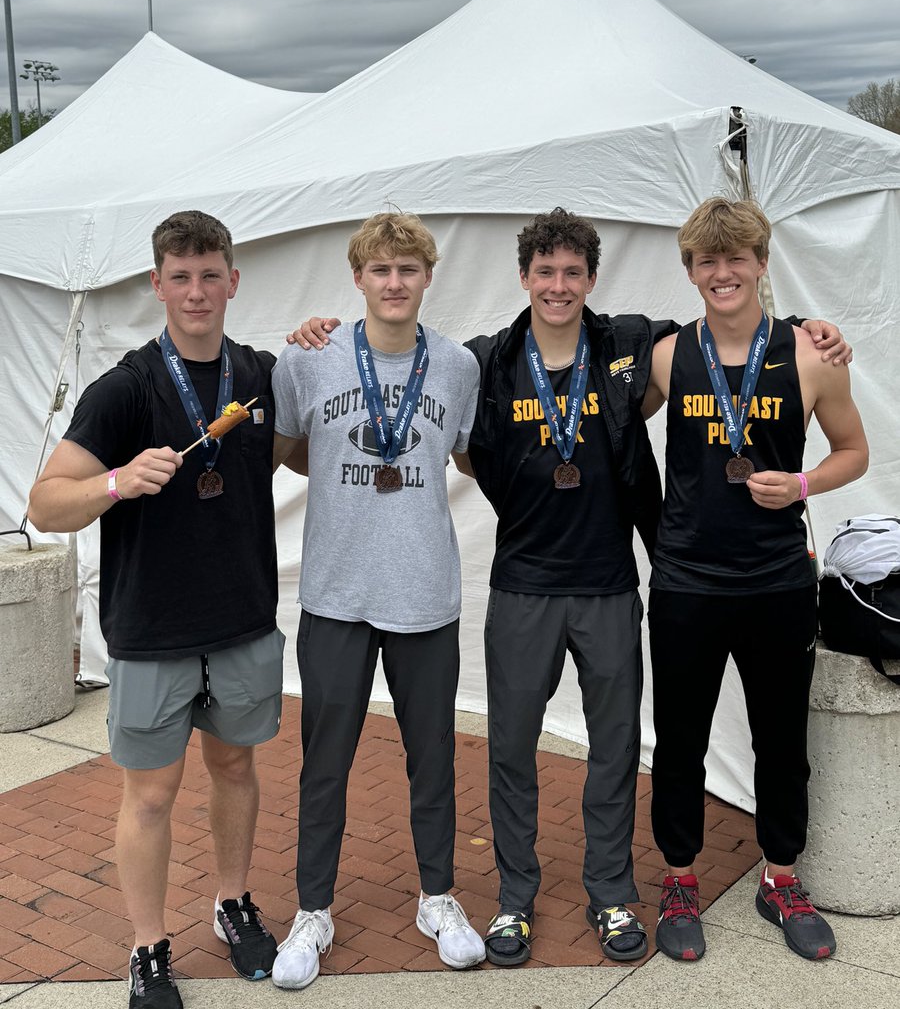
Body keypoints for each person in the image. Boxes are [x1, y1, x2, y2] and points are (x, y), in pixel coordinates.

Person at [290, 206, 849, 967]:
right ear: (523, 278)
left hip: (611, 585)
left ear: (592, 279)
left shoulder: (627, 348)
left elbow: (728, 319)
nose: (558, 286)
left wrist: (815, 325)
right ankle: (514, 899)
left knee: (616, 753)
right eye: (545, 272)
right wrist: (317, 330)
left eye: (573, 273)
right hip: (522, 585)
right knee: (512, 752)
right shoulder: (483, 360)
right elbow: (461, 450)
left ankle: (613, 892)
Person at [29, 212, 285, 1009]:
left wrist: (325, 343)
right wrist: (113, 482)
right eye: (181, 276)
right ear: (157, 285)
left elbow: (309, 444)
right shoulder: (127, 387)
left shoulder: (262, 375)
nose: (197, 291)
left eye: (211, 274)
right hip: (150, 631)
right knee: (149, 795)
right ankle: (147, 947)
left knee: (237, 768)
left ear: (233, 280)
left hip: (241, 619)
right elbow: (44, 504)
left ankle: (233, 903)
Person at [643, 197, 868, 964]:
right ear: (691, 271)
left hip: (775, 581)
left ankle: (780, 877)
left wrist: (804, 486)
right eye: (708, 260)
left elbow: (853, 452)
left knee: (781, 742)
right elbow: (589, 387)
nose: (723, 272)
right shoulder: (669, 356)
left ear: (763, 263)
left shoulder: (808, 354)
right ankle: (680, 880)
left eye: (737, 257)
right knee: (678, 743)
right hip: (685, 584)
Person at [269, 211, 485, 991]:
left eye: (409, 269)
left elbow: (464, 451)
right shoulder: (309, 361)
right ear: (357, 277)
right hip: (335, 594)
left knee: (431, 758)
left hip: (425, 593)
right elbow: (292, 451)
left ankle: (438, 899)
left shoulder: (458, 366)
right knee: (324, 763)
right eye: (380, 270)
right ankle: (313, 911)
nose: (394, 283)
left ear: (428, 277)